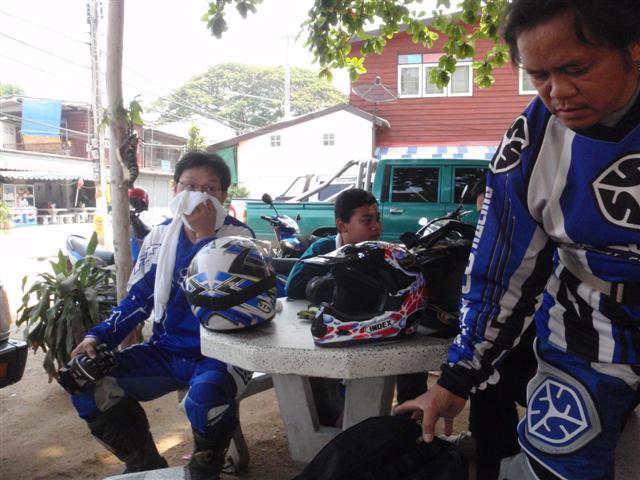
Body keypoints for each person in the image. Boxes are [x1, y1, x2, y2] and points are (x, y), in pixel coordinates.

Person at [396, 2, 640, 479]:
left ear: (633, 47)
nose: (558, 92)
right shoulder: (529, 143)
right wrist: (455, 380)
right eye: (539, 75)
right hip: (586, 330)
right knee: (557, 467)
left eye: (576, 69)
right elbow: (499, 270)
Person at [69, 151, 255, 479]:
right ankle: (144, 464)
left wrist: (204, 239)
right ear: (175, 190)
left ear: (223, 196)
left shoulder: (239, 239)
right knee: (83, 379)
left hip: (222, 354)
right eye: (190, 186)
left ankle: (205, 469)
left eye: (209, 188)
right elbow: (140, 298)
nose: (198, 195)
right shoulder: (159, 237)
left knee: (207, 399)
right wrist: (96, 336)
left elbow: (221, 297)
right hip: (166, 350)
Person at [286, 188, 428, 422]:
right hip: (338, 333)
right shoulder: (323, 249)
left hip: (377, 330)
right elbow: (293, 285)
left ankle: (411, 423)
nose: (376, 227)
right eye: (367, 220)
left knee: (410, 352)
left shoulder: (383, 253)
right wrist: (336, 282)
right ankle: (336, 425)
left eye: (377, 219)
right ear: (342, 225)